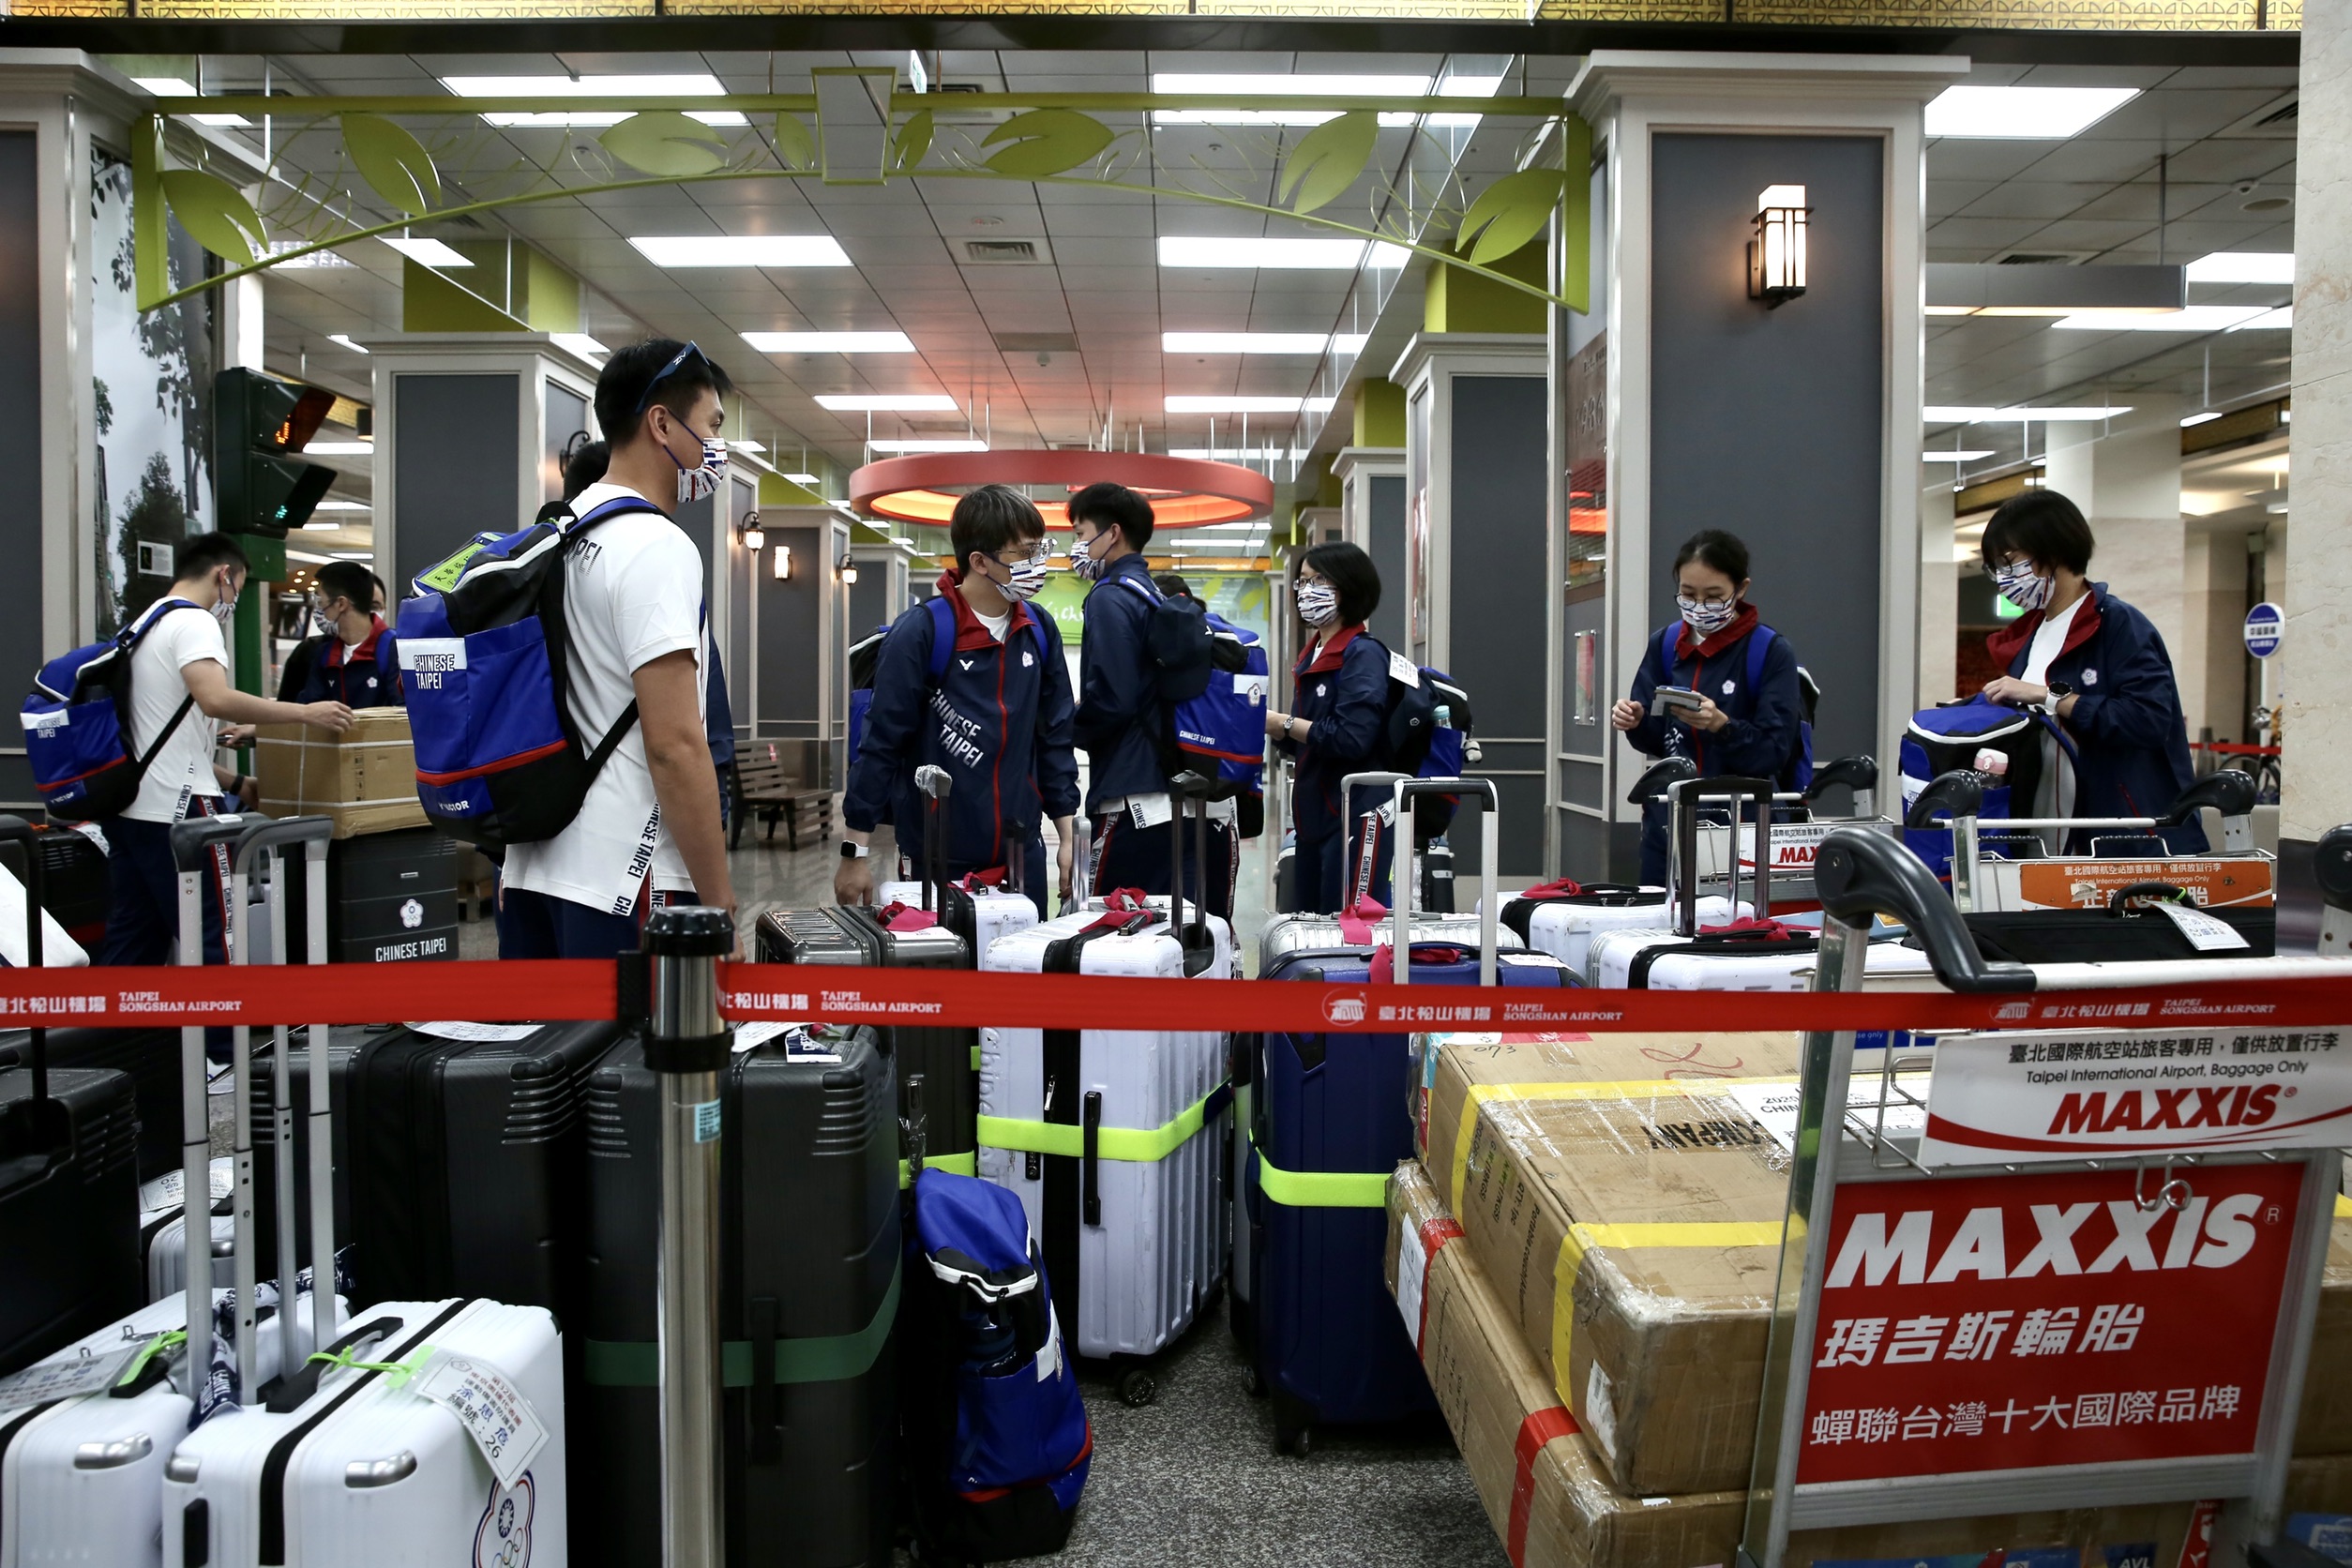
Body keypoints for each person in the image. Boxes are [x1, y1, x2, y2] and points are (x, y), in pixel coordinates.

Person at [494, 339, 737, 959]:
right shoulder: (656, 546)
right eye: (711, 425)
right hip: (627, 875)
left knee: (548, 1055)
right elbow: (675, 744)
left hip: (531, 865)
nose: (716, 448)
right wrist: (719, 902)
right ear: (662, 423)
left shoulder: (559, 533)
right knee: (632, 1057)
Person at [98, 534, 354, 1002]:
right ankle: (220, 1061)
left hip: (130, 807)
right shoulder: (194, 622)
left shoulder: (141, 624)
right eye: (237, 586)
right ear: (223, 576)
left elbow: (164, 739)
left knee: (135, 936)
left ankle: (119, 1052)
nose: (232, 599)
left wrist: (236, 780)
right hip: (182, 815)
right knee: (212, 935)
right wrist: (305, 712)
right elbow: (214, 698)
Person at [837, 485, 1078, 916]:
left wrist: (1068, 839)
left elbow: (1054, 739)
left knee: (1021, 978)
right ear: (980, 561)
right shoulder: (923, 632)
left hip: (1022, 858)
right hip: (935, 862)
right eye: (1024, 553)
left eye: (1039, 549)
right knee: (942, 983)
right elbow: (880, 745)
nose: (1037, 565)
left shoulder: (1038, 630)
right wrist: (854, 853)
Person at [1977, 489, 2206, 852]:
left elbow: (2148, 719)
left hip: (2119, 837)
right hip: (2044, 834)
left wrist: (2049, 697)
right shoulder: (2029, 637)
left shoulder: (2118, 625)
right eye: (1996, 567)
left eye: (2010, 560)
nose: (2004, 577)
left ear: (2054, 551)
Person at [1610, 528, 1803, 885]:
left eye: (1714, 597)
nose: (1699, 606)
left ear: (1740, 589)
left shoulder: (1769, 651)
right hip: (1669, 820)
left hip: (1743, 827)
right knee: (1660, 923)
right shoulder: (1666, 644)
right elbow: (1657, 740)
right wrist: (1634, 720)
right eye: (1688, 594)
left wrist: (1721, 724)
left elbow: (1773, 752)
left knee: (1734, 931)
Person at [1069, 480, 1219, 914]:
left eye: (1080, 534)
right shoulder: (1152, 593)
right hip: (1168, 784)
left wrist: (1063, 727)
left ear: (1111, 533)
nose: (1076, 546)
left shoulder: (1111, 596)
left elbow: (1113, 699)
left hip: (1128, 793)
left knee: (1110, 922)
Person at [1261, 543, 1394, 912]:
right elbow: (1308, 738)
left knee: (1345, 931)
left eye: (1317, 580)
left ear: (1348, 586)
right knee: (1310, 924)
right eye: (1302, 582)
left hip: (1352, 814)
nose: (1306, 591)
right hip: (1313, 815)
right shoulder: (1314, 653)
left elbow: (1352, 737)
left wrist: (1284, 723)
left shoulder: (1362, 653)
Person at [1152, 572, 1248, 913]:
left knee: (1162, 911)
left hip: (1165, 804)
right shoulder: (1226, 648)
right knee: (1213, 916)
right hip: (1221, 806)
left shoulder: (1162, 650)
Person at [277, 560, 399, 709]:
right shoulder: (325, 655)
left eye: (321, 602)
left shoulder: (393, 649)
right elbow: (306, 710)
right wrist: (259, 727)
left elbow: (402, 714)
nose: (320, 610)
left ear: (341, 604)